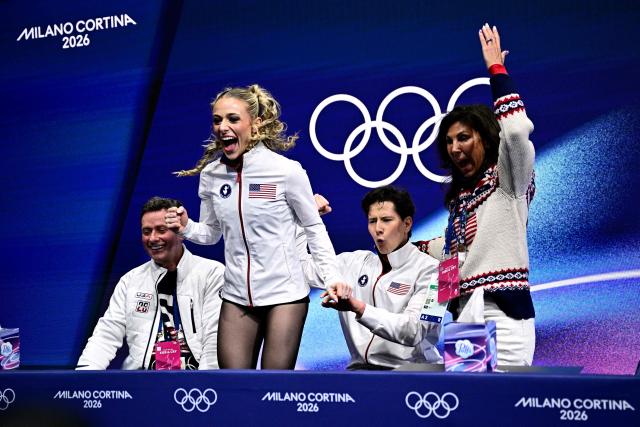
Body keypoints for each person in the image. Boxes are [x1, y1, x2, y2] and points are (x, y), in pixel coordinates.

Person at [167, 85, 349, 369]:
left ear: (257, 123)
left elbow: (314, 228)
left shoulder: (286, 171)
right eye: (217, 120)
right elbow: (212, 233)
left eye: (232, 119)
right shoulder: (212, 175)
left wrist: (332, 278)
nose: (223, 127)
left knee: (272, 391)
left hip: (285, 295)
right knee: (234, 389)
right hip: (236, 296)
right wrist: (186, 227)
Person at [414, 24, 536, 366]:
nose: (455, 148)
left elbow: (514, 131)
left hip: (506, 318)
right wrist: (428, 331)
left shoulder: (509, 182)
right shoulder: (459, 203)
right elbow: (451, 262)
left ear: (485, 137)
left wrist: (497, 71)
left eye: (464, 138)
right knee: (470, 413)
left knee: (507, 413)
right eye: (449, 142)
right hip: (464, 318)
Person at [300, 186, 442, 370]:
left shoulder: (439, 272)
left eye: (386, 220)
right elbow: (297, 266)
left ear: (407, 224)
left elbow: (415, 331)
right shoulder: (354, 263)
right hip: (360, 374)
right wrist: (306, 219)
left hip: (417, 376)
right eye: (372, 221)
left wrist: (358, 308)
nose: (378, 229)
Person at [77, 197, 224, 370]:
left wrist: (207, 384)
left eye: (161, 230)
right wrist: (83, 377)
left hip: (194, 386)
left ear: (181, 233)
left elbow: (215, 337)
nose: (153, 238)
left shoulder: (212, 273)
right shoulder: (130, 281)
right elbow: (106, 334)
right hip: (142, 383)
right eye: (146, 231)